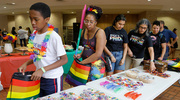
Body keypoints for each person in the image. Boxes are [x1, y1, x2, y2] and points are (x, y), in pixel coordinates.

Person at [18, 2, 68, 97]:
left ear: (47, 19)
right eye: (31, 19)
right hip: (39, 77)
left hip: (52, 78)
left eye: (36, 19)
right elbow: (37, 55)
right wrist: (26, 64)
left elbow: (64, 59)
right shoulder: (34, 33)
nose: (32, 22)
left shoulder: (54, 37)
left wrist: (42, 70)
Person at [74, 5, 106, 81]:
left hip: (96, 66)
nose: (88, 24)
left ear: (96, 22)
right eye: (86, 21)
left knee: (92, 88)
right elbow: (86, 46)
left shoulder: (100, 32)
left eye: (91, 22)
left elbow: (98, 54)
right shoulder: (84, 31)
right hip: (85, 63)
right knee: (84, 85)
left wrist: (82, 62)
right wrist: (80, 55)